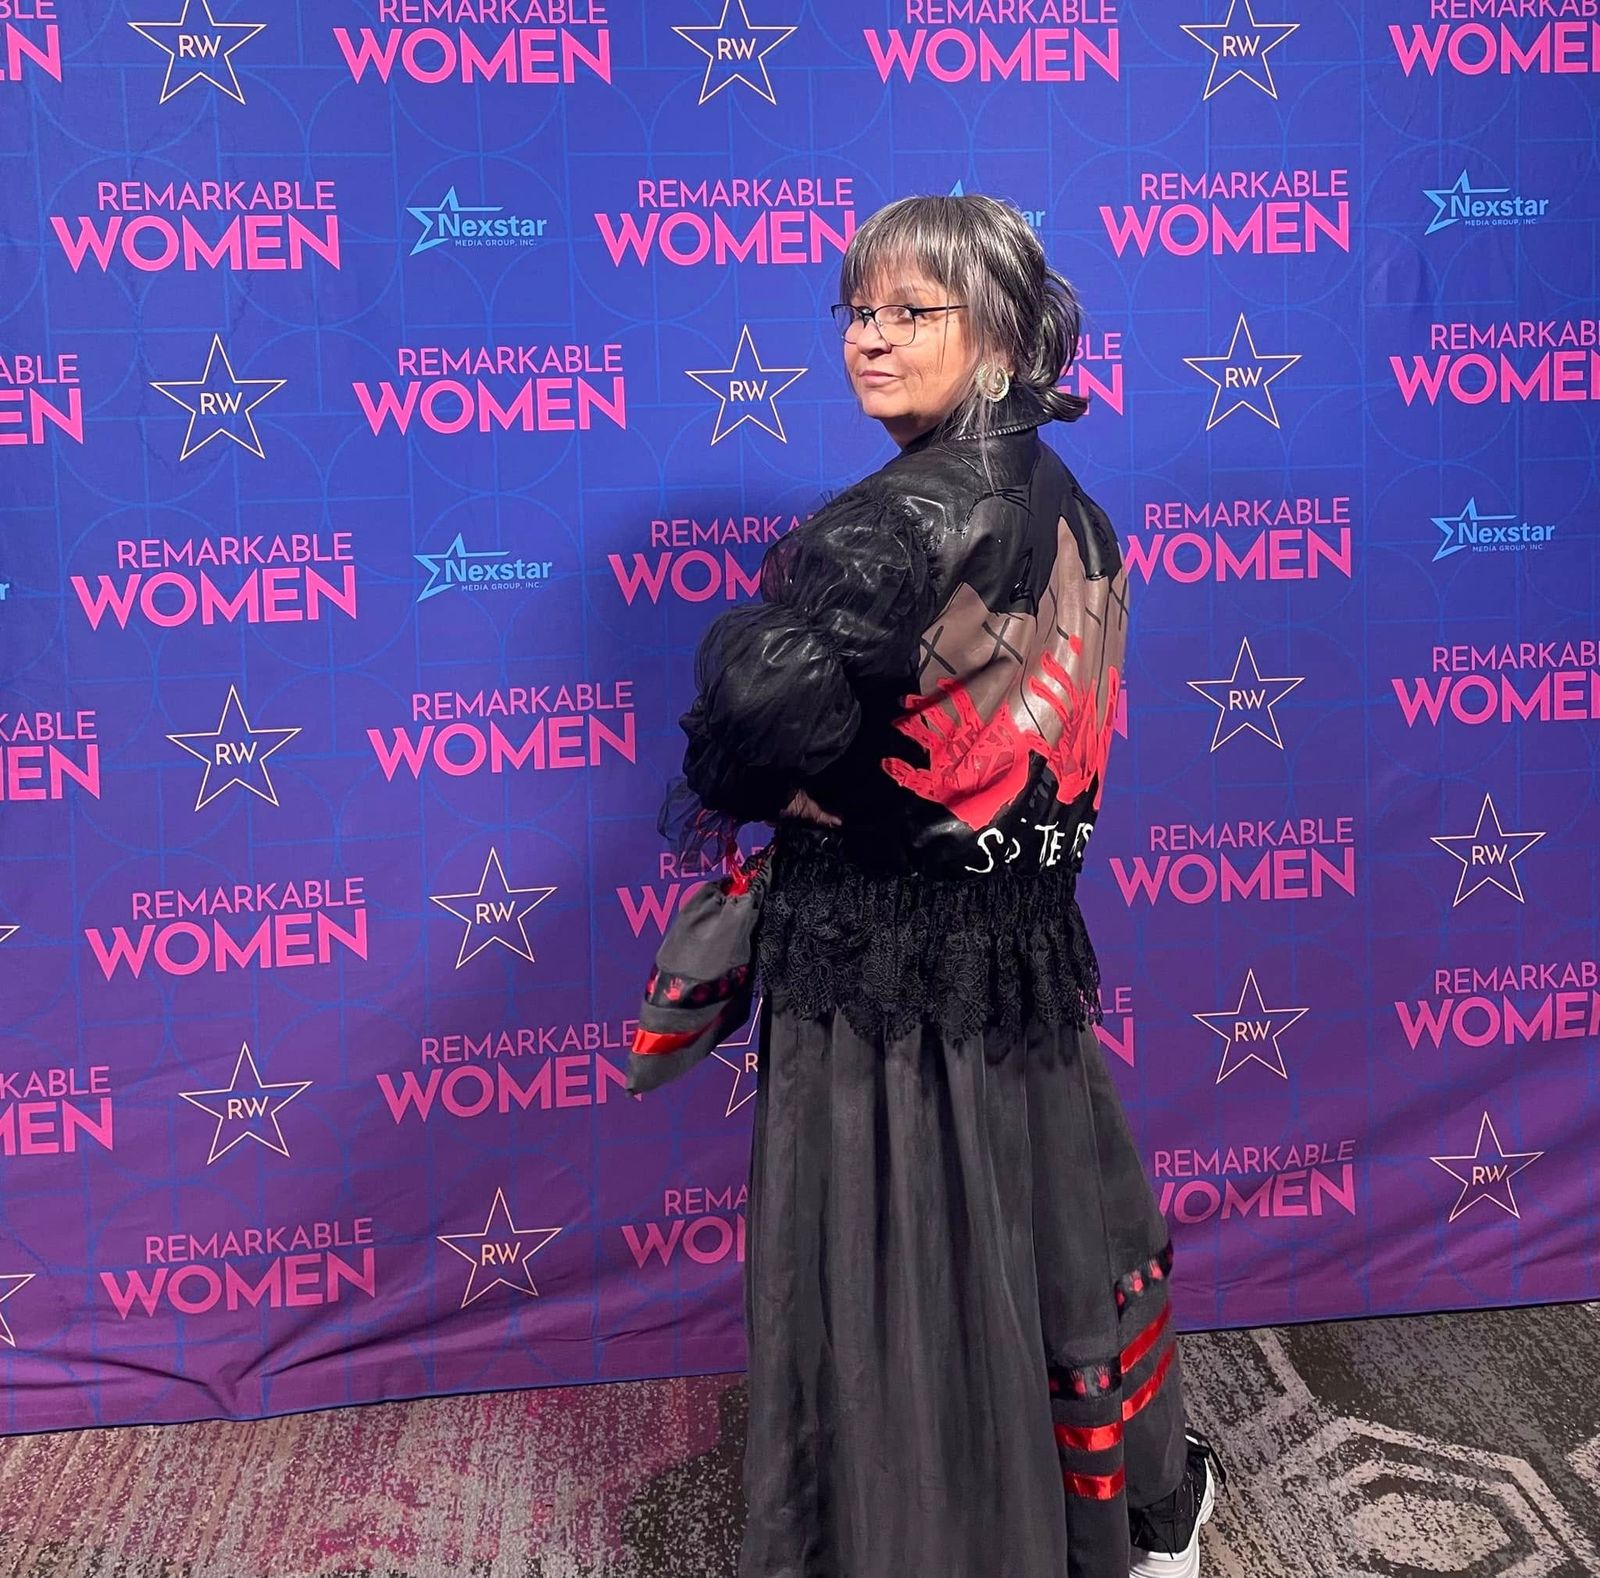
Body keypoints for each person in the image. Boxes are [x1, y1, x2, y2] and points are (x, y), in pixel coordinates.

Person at [665, 194, 1225, 1578]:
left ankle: (932, 1538)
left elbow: (745, 741)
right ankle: (1112, 1518)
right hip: (1017, 942)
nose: (871, 338)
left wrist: (775, 771)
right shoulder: (1078, 508)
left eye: (913, 312)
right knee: (1044, 1235)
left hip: (882, 965)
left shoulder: (879, 527)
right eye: (858, 311)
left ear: (1006, 335)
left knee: (900, 1270)